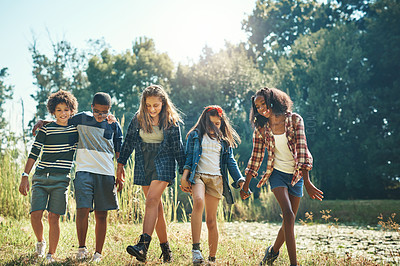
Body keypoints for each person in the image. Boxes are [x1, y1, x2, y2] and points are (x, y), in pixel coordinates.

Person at [32, 92, 123, 262]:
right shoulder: (82, 118)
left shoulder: (113, 125)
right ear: (91, 108)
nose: (100, 115)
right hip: (84, 171)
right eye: (97, 111)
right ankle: (82, 248)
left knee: (101, 214)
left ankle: (98, 253)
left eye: (104, 112)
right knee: (82, 210)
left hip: (105, 173)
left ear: (109, 110)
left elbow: (119, 147)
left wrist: (120, 170)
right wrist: (44, 122)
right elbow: (62, 121)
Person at [240, 87, 323, 266]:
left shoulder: (294, 120)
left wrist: (307, 181)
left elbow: (302, 150)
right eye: (257, 106)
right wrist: (246, 184)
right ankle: (294, 264)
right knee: (288, 214)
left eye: (263, 104)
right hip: (276, 174)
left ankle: (272, 252)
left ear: (274, 101)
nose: (261, 108)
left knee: (289, 220)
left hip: (297, 175)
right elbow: (256, 157)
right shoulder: (261, 128)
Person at [116, 85, 185, 263]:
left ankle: (143, 245)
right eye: (148, 105)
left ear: (163, 103)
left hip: (164, 161)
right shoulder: (138, 118)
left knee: (151, 200)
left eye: (156, 105)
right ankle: (166, 250)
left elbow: (178, 149)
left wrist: (185, 174)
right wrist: (120, 165)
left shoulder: (171, 121)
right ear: (143, 104)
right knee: (156, 207)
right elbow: (129, 142)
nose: (152, 109)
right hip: (144, 161)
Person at [19, 90, 79, 263]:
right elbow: (34, 153)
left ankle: (51, 254)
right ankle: (40, 242)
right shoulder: (46, 129)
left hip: (61, 180)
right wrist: (25, 175)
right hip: (41, 178)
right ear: (53, 111)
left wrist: (110, 118)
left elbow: (92, 117)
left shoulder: (75, 130)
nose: (63, 113)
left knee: (54, 217)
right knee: (35, 214)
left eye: (66, 109)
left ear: (71, 111)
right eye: (59, 110)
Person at [180, 105, 245, 265]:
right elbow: (189, 157)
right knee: (199, 201)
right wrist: (184, 176)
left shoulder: (223, 141)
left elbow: (230, 161)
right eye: (211, 123)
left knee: (211, 220)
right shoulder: (195, 135)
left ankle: (212, 258)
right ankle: (196, 250)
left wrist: (240, 179)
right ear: (204, 121)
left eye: (217, 124)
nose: (214, 127)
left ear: (221, 123)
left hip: (216, 179)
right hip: (199, 176)